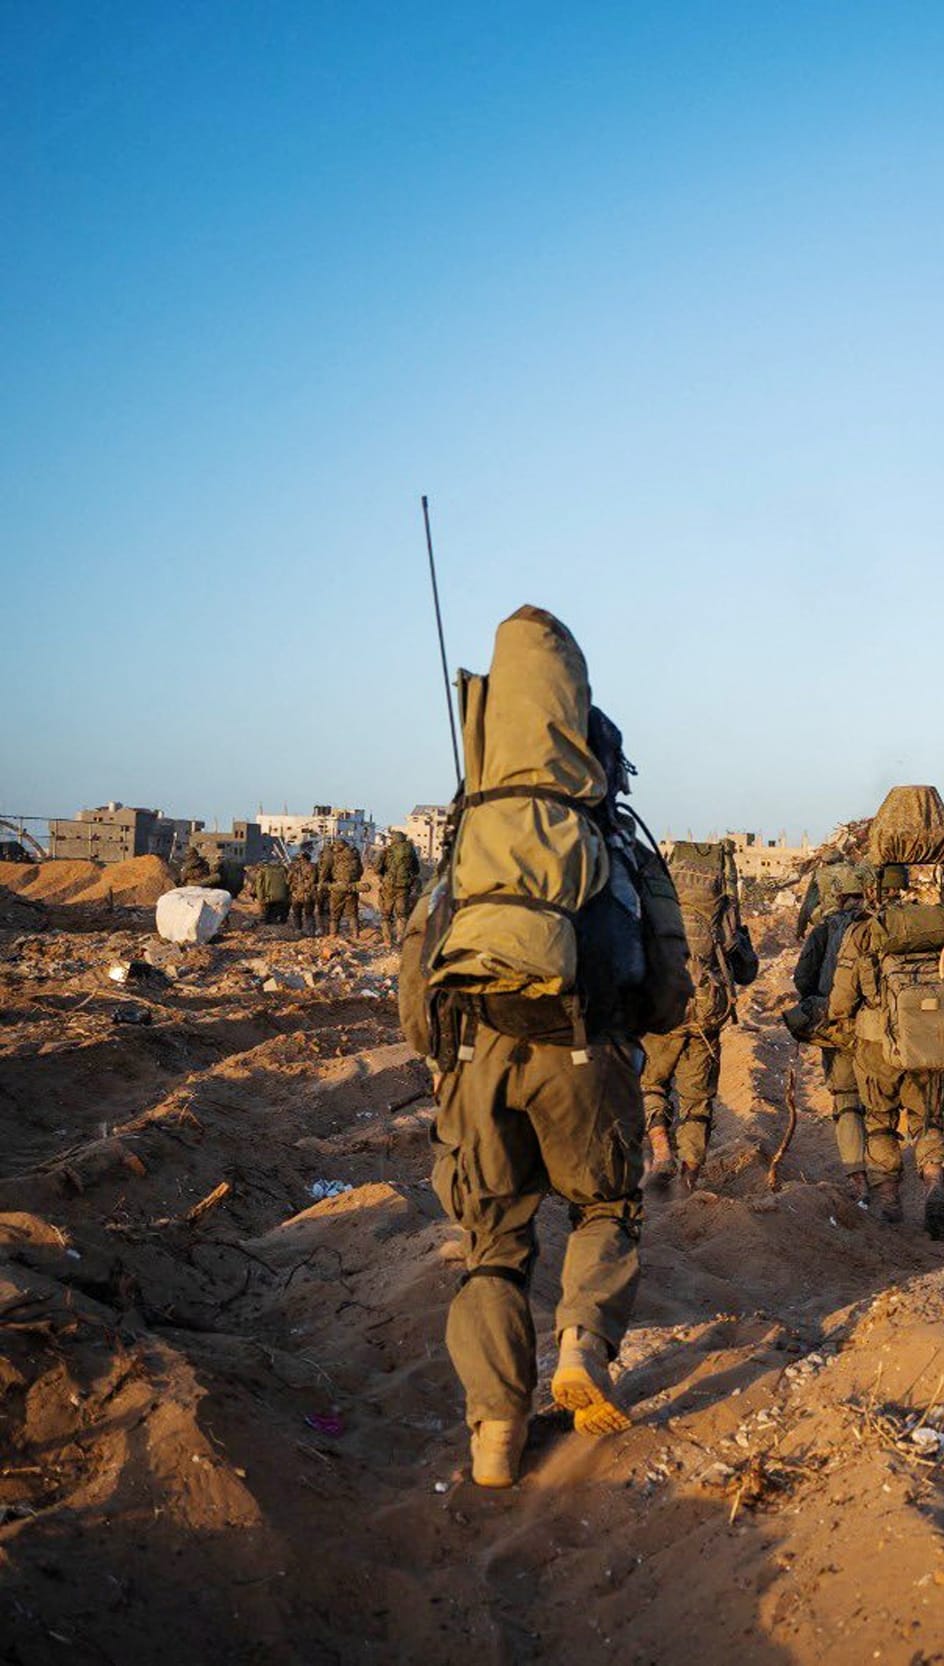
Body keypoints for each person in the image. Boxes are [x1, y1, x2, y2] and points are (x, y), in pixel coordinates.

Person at [410, 604, 691, 1490]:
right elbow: (669, 989)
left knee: (492, 1246)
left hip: (474, 1060)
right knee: (606, 1207)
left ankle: (494, 1435)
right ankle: (582, 1346)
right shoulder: (613, 845)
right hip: (585, 1053)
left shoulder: (469, 845)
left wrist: (449, 1058)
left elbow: (418, 988)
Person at [824, 863, 944, 1238]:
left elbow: (843, 997)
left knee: (879, 1122)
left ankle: (890, 1199)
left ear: (874, 889)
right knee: (927, 1122)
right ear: (906, 885)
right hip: (930, 1044)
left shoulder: (864, 929)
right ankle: (933, 1181)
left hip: (877, 1046)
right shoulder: (934, 926)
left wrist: (836, 1020)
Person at [639, 840, 757, 1185]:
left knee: (652, 1083)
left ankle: (661, 1151)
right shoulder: (722, 909)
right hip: (707, 1013)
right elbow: (747, 970)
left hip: (664, 1010)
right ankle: (689, 1180)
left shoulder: (658, 901)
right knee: (697, 1099)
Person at [790, 862, 871, 1196]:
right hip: (876, 1029)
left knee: (847, 1099)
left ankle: (858, 1178)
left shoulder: (825, 929)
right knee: (881, 1105)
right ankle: (888, 1183)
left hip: (837, 1028)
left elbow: (802, 979)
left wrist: (817, 1004)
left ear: (838, 895)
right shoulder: (877, 926)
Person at [319, 836, 364, 940]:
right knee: (353, 913)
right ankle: (355, 934)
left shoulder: (336, 856)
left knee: (335, 912)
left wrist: (324, 882)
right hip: (352, 887)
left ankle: (333, 934)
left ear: (339, 846)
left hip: (338, 887)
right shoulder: (354, 855)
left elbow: (326, 870)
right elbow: (361, 871)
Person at [378, 829, 422, 933]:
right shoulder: (410, 851)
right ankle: (400, 938)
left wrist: (383, 875)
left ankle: (387, 941)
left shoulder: (387, 851)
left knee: (386, 915)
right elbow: (416, 870)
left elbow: (377, 867)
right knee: (402, 914)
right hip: (403, 887)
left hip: (388, 886)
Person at [287, 845, 323, 936]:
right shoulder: (313, 867)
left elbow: (287, 881)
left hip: (296, 894)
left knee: (297, 914)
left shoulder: (293, 867)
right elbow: (315, 880)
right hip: (308, 894)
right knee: (309, 914)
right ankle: (311, 932)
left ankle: (298, 930)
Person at [248, 858, 292, 930]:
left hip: (268, 897)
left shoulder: (262, 871)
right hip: (282, 897)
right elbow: (288, 883)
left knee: (265, 916)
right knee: (278, 912)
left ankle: (267, 928)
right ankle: (280, 925)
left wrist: (260, 898)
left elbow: (259, 886)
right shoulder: (283, 870)